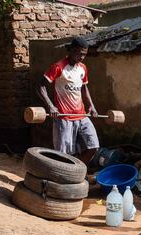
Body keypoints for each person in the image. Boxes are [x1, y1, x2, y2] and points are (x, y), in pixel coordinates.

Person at [38, 36, 99, 165]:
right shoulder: (58, 67)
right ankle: (63, 177)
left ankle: (76, 171)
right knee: (63, 155)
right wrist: (51, 106)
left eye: (84, 54)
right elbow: (40, 86)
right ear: (71, 50)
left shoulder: (82, 68)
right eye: (79, 54)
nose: (82, 57)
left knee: (93, 146)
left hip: (81, 115)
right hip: (63, 117)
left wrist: (91, 106)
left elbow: (84, 88)